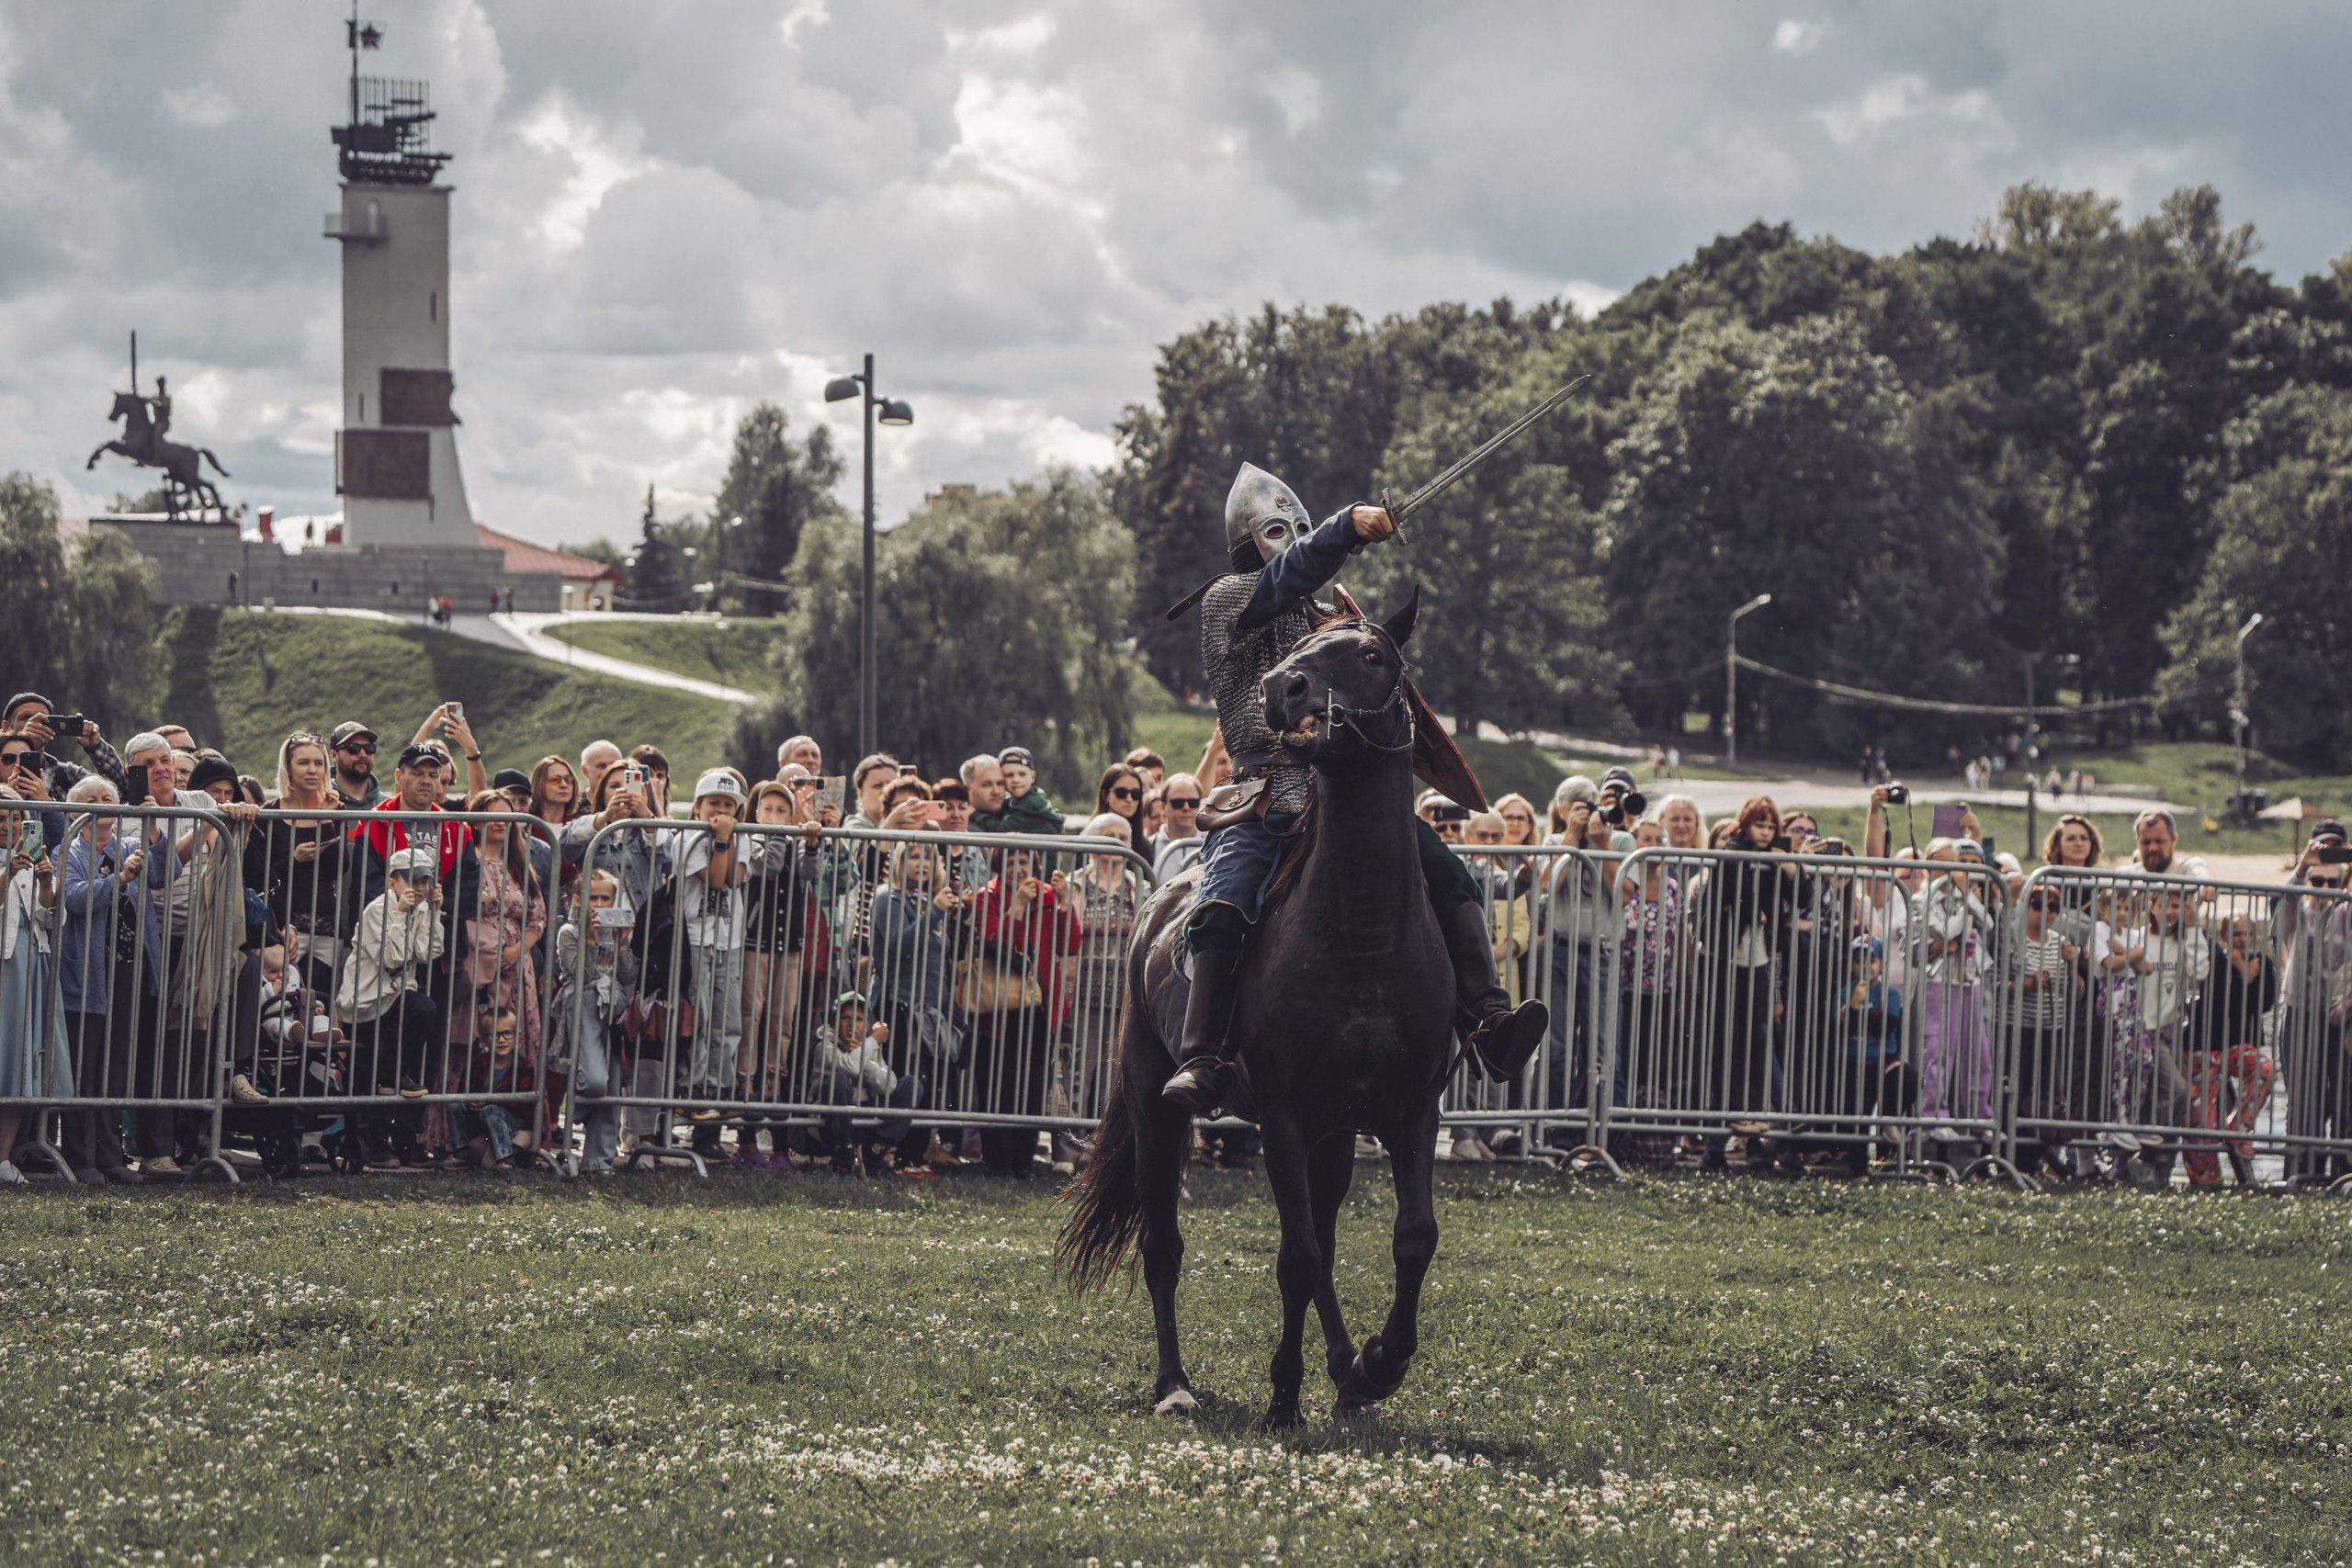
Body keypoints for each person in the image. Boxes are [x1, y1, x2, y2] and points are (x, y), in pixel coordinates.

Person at [1161, 462, 1543, 1113]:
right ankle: (1205, 1058)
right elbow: (1288, 576)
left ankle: (1486, 1019)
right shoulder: (1230, 598)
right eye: (1278, 528)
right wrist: (1348, 527)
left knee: (1449, 874)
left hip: (1337, 797)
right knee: (1223, 903)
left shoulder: (1329, 622)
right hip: (1262, 794)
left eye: (1302, 528)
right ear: (1247, 539)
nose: (1293, 539)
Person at [55, 777, 157, 1184]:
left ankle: (111, 1156)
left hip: (128, 969)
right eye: (90, 801)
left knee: (115, 1068)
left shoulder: (130, 847)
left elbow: (167, 868)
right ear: (75, 809)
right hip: (88, 975)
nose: (100, 808)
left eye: (108, 800)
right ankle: (81, 1158)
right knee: (85, 1066)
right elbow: (74, 898)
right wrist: (118, 881)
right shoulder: (71, 850)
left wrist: (152, 826)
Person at [967, 844, 1081, 1173]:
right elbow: (994, 946)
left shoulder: (1047, 896)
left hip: (1039, 1003)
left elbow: (1070, 944)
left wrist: (1063, 904)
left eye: (1025, 861)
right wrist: (1016, 908)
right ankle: (998, 1160)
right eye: (1012, 860)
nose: (1019, 868)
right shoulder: (986, 896)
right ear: (1000, 864)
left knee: (1033, 1083)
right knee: (995, 1081)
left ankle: (1023, 1161)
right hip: (998, 1006)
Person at [337, 845, 447, 1162]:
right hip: (368, 1002)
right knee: (373, 1068)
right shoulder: (378, 910)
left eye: (425, 881)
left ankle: (404, 1136)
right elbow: (393, 958)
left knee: (417, 1050)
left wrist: (435, 913)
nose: (420, 889)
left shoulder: (424, 909)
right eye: (412, 881)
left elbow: (428, 952)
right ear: (393, 882)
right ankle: (371, 1140)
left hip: (398, 998)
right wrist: (399, 915)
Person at [865, 837, 966, 1172]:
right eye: (913, 857)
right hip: (900, 1006)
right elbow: (898, 944)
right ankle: (879, 1146)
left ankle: (913, 1156)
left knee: (931, 1081)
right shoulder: (887, 897)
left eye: (928, 858)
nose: (921, 864)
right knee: (909, 1081)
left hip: (932, 1010)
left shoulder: (928, 900)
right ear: (898, 862)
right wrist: (936, 910)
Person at [675, 770, 750, 1157]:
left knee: (728, 1022)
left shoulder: (744, 837)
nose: (721, 811)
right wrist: (722, 839)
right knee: (701, 1019)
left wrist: (729, 838)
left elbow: (735, 879)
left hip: (729, 941)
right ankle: (696, 1092)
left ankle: (719, 1097)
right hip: (695, 940)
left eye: (728, 806)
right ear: (697, 806)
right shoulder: (688, 838)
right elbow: (715, 880)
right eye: (714, 804)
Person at [0, 786, 70, 1185]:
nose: (8, 826)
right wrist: (8, 871)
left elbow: (49, 919)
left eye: (15, 818)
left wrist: (46, 883)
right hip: (5, 963)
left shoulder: (34, 859)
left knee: (19, 1062)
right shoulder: (12, 864)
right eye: (1, 818)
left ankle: (4, 1158)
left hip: (30, 964)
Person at [2276, 825, 2352, 1181]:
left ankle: (2341, 1174)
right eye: (2316, 883)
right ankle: (2301, 1172)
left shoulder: (2347, 912)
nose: (2324, 890)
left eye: (2331, 884)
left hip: (2341, 1016)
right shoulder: (2297, 912)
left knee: (2343, 1097)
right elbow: (2285, 898)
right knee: (2304, 1099)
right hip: (2300, 1012)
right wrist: (2303, 865)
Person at [551, 867, 639, 1175]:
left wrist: (624, 945)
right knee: (594, 1082)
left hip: (613, 1007)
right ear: (578, 898)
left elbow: (628, 976)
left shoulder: (614, 929)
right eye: (593, 897)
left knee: (612, 1083)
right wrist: (589, 940)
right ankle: (577, 1114)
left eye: (605, 898)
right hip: (584, 1005)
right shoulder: (570, 933)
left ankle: (597, 1160)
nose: (599, 904)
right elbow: (581, 976)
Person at [2185, 910, 2278, 1188]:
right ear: (2224, 935)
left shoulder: (2263, 963)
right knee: (2201, 1121)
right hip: (2203, 1047)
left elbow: (2262, 1005)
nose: (2240, 938)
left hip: (2239, 1046)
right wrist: (2238, 970)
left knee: (2264, 1067)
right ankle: (2206, 1180)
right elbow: (2218, 995)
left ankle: (2238, 1127)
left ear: (2254, 936)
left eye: (2246, 933)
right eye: (2234, 933)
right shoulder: (2213, 957)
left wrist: (2246, 974)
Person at [813, 991, 922, 1175]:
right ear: (833, 1022)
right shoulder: (824, 1046)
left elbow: (891, 1085)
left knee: (912, 1085)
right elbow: (850, 1066)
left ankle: (874, 1150)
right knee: (838, 1079)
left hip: (866, 1122)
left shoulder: (870, 1047)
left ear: (867, 1025)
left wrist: (867, 1058)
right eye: (845, 1017)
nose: (852, 1024)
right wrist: (872, 1042)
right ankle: (844, 1150)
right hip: (832, 1126)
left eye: (859, 1019)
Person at [1, 692, 130, 809]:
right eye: (26, 718)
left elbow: (121, 791)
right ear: (6, 727)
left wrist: (96, 747)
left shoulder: (66, 774)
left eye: (44, 721)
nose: (36, 724)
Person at [976, 747, 1063, 836]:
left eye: (1022, 774)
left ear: (1032, 777)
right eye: (1009, 775)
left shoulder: (1032, 803)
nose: (1016, 780)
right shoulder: (1008, 800)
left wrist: (973, 813)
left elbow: (999, 829)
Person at [1150, 773, 1204, 886]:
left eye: (1193, 803)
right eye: (1178, 803)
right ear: (1163, 807)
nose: (1186, 808)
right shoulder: (1148, 847)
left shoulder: (1213, 845)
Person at [1093, 764, 1148, 859]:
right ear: (1105, 795)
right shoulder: (1088, 838)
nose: (1129, 799)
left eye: (1136, 794)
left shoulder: (1145, 847)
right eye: (1121, 793)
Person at [328, 721, 382, 810]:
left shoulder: (388, 806)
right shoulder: (321, 803)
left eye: (369, 748)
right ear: (334, 755)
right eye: (353, 748)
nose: (363, 754)